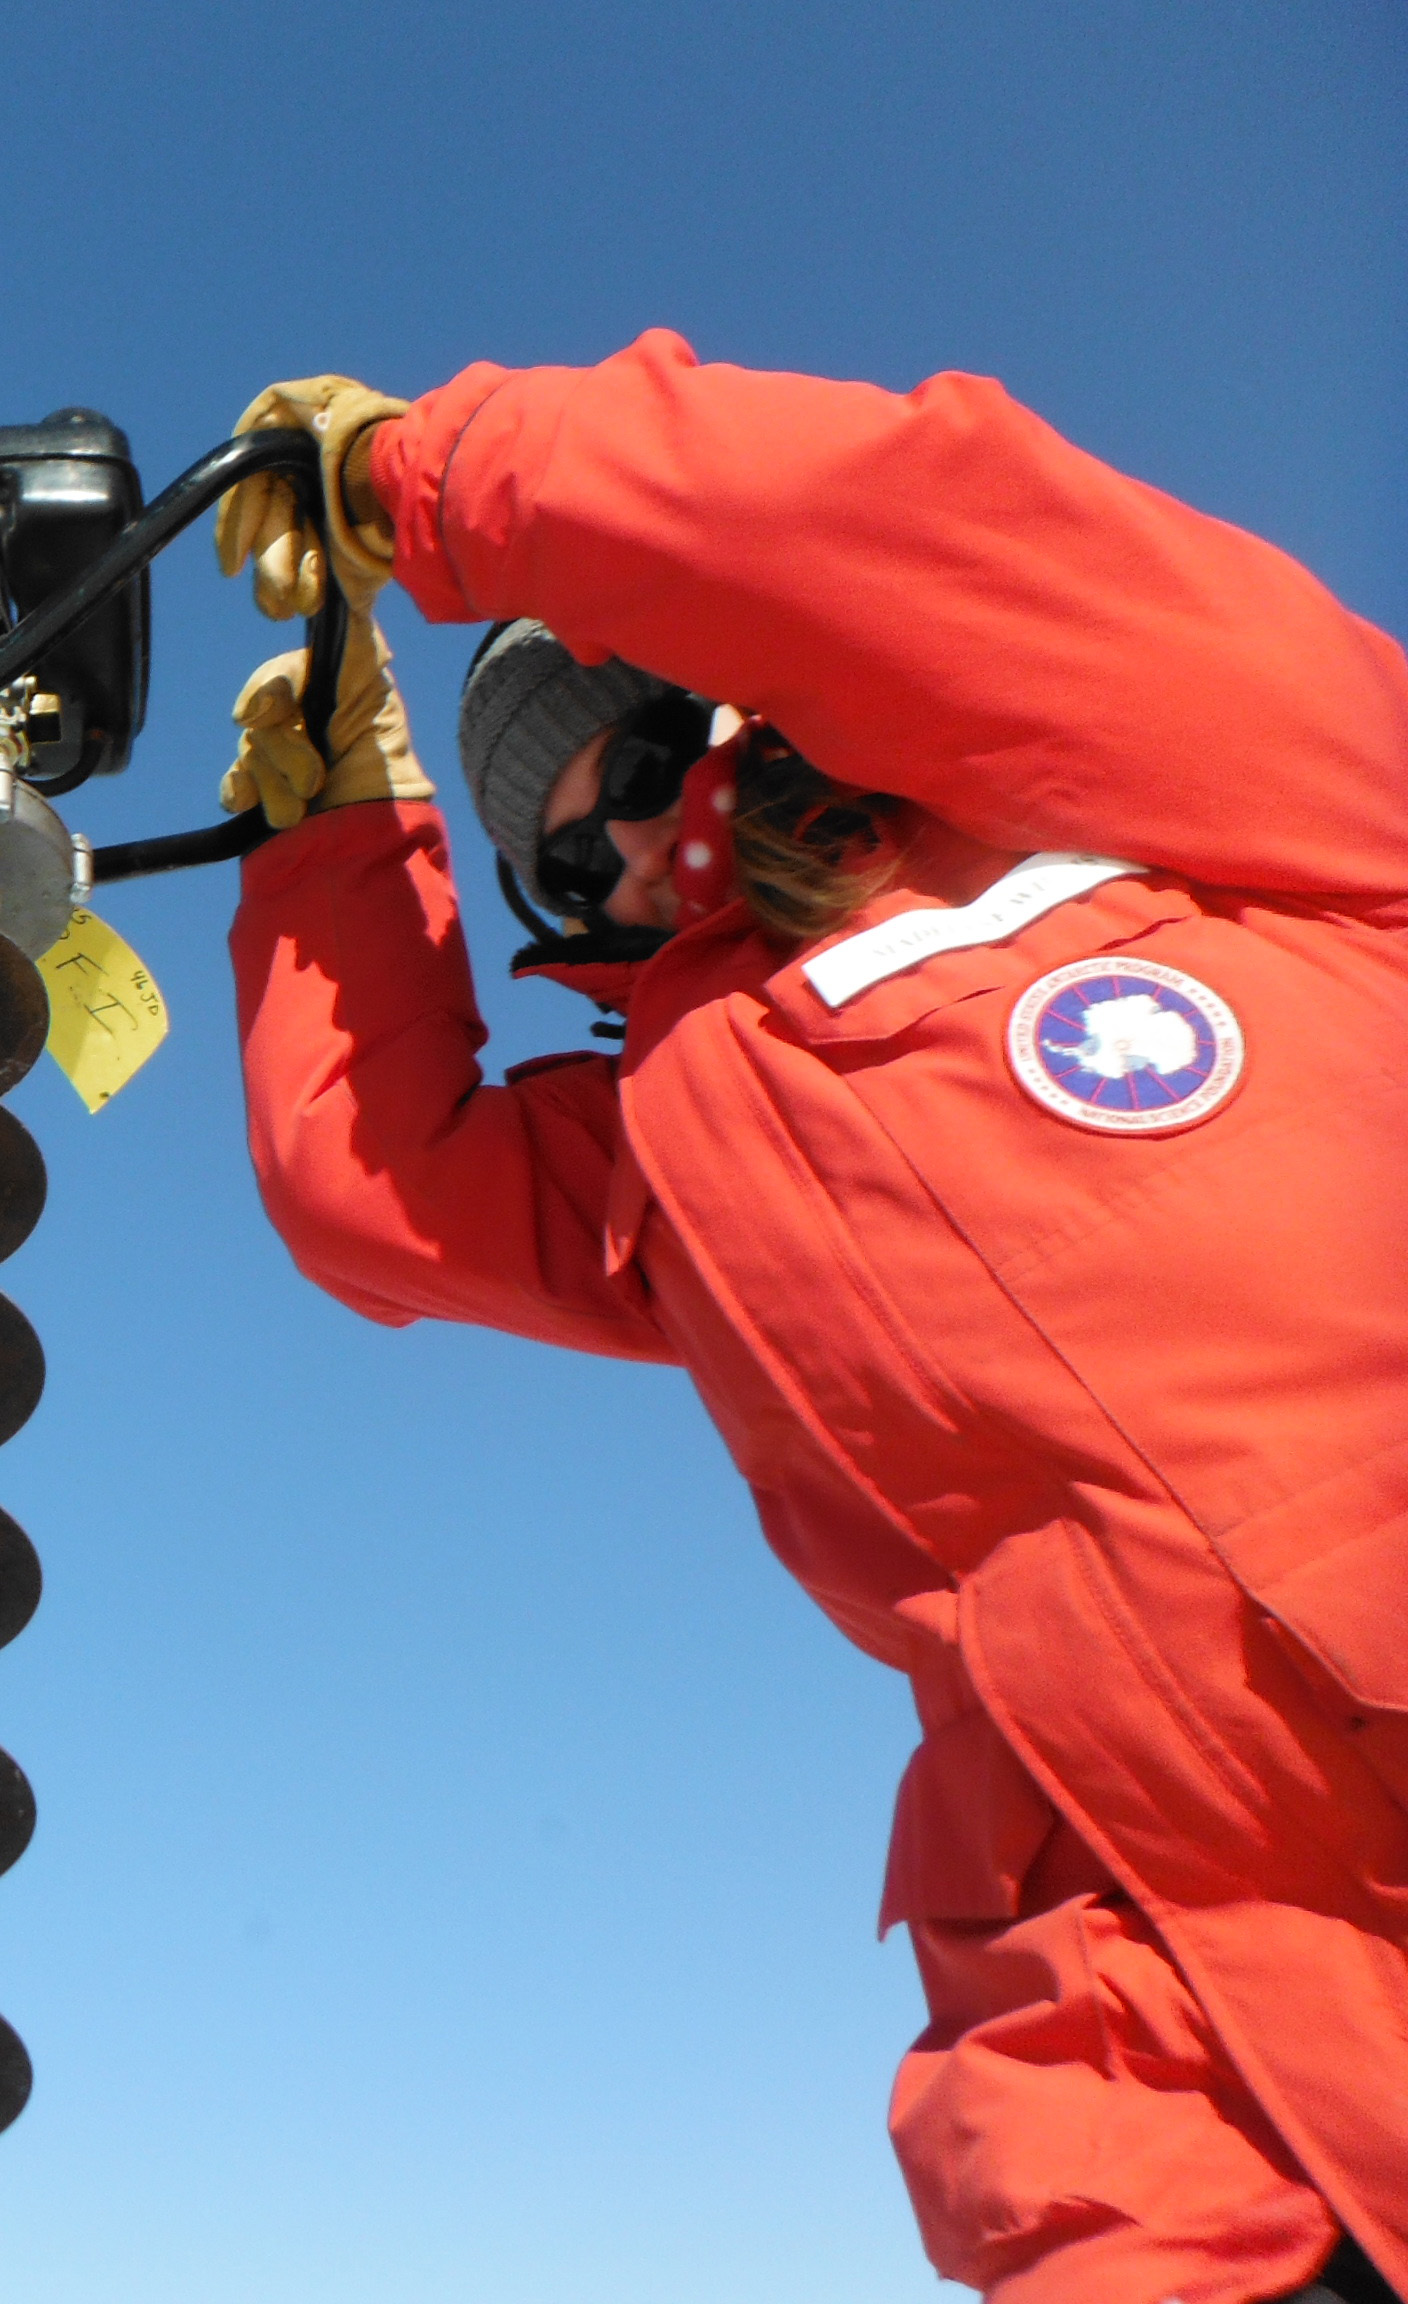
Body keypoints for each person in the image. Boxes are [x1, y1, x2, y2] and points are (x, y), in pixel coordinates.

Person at [210, 336, 1408, 2304]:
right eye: (552, 840)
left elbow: (914, 531)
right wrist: (340, 839)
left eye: (634, 737)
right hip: (1140, 2021)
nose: (605, 824)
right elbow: (372, 1191)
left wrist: (444, 481)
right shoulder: (667, 1135)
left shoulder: (1174, 798)